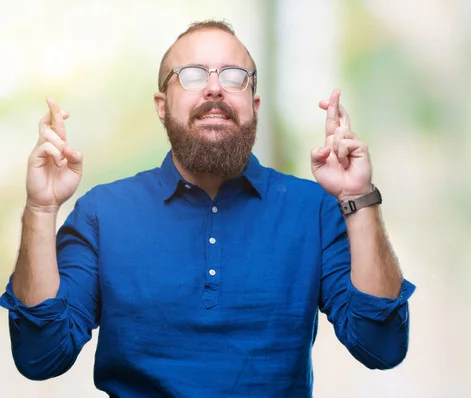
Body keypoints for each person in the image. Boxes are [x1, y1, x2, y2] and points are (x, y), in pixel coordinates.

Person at [0, 20, 415, 397]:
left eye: (233, 77)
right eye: (192, 75)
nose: (214, 88)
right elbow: (41, 356)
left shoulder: (315, 211)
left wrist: (358, 197)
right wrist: (40, 208)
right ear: (162, 105)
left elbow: (381, 346)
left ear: (254, 104)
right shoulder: (101, 213)